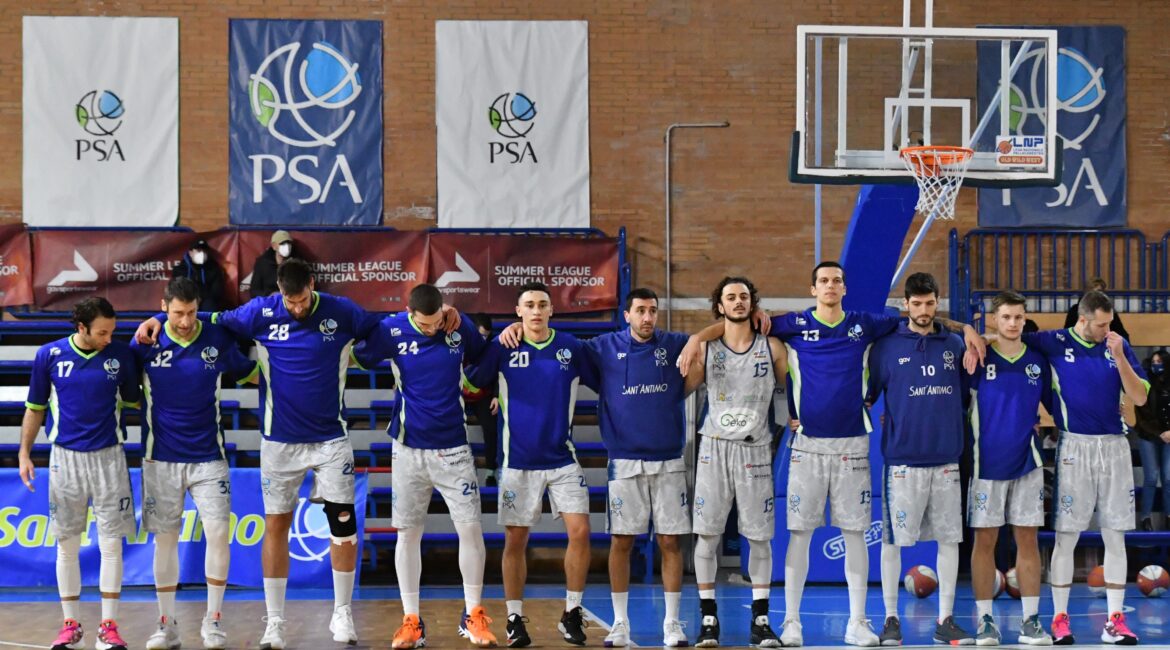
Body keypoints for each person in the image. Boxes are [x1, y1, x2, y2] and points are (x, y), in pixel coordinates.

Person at [676, 261, 984, 647]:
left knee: (855, 535)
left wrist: (966, 328)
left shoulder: (866, 324)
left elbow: (922, 317)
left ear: (844, 288)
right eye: (823, 280)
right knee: (800, 536)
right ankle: (791, 623)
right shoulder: (792, 324)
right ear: (813, 289)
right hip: (807, 446)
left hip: (853, 445)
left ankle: (857, 622)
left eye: (837, 280)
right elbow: (737, 323)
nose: (830, 285)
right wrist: (696, 338)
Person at [135, 258, 386, 650]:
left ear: (313, 285)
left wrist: (360, 356)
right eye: (290, 301)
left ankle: (342, 611)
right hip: (279, 441)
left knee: (342, 524)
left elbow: (381, 331)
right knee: (277, 525)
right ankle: (275, 621)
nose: (297, 308)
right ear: (279, 292)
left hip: (331, 439)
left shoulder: (342, 311)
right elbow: (209, 319)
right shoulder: (259, 312)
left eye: (302, 300)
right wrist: (157, 317)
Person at [350, 285, 497, 649]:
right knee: (408, 534)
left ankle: (473, 614)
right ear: (409, 312)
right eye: (425, 323)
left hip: (454, 447)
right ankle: (412, 620)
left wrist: (466, 324)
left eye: (437, 322)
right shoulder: (391, 330)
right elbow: (359, 356)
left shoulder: (457, 325)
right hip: (408, 448)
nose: (433, 329)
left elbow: (485, 355)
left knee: (471, 530)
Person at [464, 281, 598, 648]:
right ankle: (513, 617)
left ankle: (572, 612)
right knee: (515, 540)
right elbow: (470, 382)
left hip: (562, 458)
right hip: (518, 461)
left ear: (551, 310)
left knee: (581, 532)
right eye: (529, 305)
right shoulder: (502, 347)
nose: (536, 310)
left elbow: (607, 382)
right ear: (518, 311)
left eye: (542, 304)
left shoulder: (571, 348)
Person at [131, 277, 259, 650]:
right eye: (176, 313)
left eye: (190, 312)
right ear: (163, 307)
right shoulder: (145, 343)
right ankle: (166, 624)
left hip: (209, 459)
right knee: (165, 542)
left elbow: (250, 374)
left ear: (198, 307)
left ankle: (213, 620)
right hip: (160, 458)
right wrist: (156, 321)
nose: (185, 321)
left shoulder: (217, 338)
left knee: (218, 534)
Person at [17, 297, 141, 650]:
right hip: (65, 460)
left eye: (112, 332)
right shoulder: (49, 356)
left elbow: (135, 401)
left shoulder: (120, 356)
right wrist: (24, 453)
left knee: (111, 545)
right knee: (67, 545)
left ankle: (108, 627)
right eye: (102, 332)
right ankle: (70, 625)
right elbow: (35, 408)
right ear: (81, 327)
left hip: (109, 458)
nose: (108, 338)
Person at [574, 287, 694, 647]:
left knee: (670, 541)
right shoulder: (603, 347)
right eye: (640, 310)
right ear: (626, 315)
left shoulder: (673, 343)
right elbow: (559, 346)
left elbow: (711, 337)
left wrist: (698, 340)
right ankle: (620, 623)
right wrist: (515, 328)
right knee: (622, 541)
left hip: (668, 460)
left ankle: (672, 623)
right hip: (624, 461)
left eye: (652, 311)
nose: (647, 317)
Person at [1029, 290, 1148, 645]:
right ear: (1083, 320)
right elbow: (1011, 338)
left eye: (1110, 323)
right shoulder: (1054, 341)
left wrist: (1120, 356)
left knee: (1116, 536)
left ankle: (1115, 621)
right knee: (1066, 537)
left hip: (1114, 447)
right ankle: (1059, 619)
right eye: (1102, 324)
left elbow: (1140, 397)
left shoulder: (1118, 345)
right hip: (1074, 447)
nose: (1107, 329)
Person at [867, 272, 974, 646]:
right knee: (892, 543)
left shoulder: (955, 345)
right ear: (906, 305)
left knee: (949, 541)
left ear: (937, 302)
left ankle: (946, 620)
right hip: (902, 462)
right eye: (917, 304)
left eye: (930, 303)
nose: (924, 310)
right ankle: (890, 618)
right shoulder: (885, 347)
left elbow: (966, 396)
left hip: (946, 460)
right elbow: (867, 395)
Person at [681, 276, 788, 648]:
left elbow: (795, 391)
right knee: (707, 535)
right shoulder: (707, 349)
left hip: (755, 450)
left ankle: (761, 620)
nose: (738, 301)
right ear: (720, 306)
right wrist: (695, 340)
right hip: (714, 449)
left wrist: (795, 419)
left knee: (760, 538)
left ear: (753, 304)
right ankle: (708, 618)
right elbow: (678, 391)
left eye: (744, 296)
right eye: (731, 297)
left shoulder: (772, 347)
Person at [965, 291, 1053, 646]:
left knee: (1028, 541)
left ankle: (1031, 621)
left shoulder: (1037, 361)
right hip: (986, 464)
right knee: (984, 541)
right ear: (994, 320)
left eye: (1018, 317)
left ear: (1024, 319)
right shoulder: (977, 357)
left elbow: (1057, 406)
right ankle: (985, 621)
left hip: (1028, 463)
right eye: (1006, 317)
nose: (1013, 323)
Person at [1135, 349, 1170, 531]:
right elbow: (1141, 415)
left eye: (1160, 362)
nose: (1156, 365)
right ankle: (1145, 518)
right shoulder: (1145, 382)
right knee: (1151, 477)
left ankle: (1169, 516)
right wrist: (1159, 432)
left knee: (1168, 477)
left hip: (1169, 436)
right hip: (1149, 434)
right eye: (1154, 362)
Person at [463, 313, 499, 487]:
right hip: (457, 396)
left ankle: (491, 471)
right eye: (480, 336)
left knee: (492, 428)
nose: (483, 340)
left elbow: (499, 372)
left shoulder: (492, 348)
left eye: (486, 336)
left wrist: (496, 396)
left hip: (483, 396)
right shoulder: (456, 343)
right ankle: (462, 470)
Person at [1063, 278, 1129, 340]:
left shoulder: (1109, 311)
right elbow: (1067, 335)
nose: (1096, 295)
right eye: (1092, 292)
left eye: (1100, 292)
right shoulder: (1075, 311)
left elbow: (1123, 335)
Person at [172, 239, 227, 311]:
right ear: (190, 253)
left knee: (210, 305)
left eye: (204, 251)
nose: (202, 253)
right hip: (187, 300)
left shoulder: (214, 268)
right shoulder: (180, 269)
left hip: (207, 301)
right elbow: (178, 290)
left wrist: (201, 296)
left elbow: (217, 292)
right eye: (198, 250)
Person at [250, 230, 295, 299]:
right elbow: (254, 290)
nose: (287, 246)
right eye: (282, 243)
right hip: (268, 301)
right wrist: (269, 295)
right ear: (274, 246)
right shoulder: (263, 263)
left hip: (290, 301)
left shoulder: (295, 263)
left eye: (289, 243)